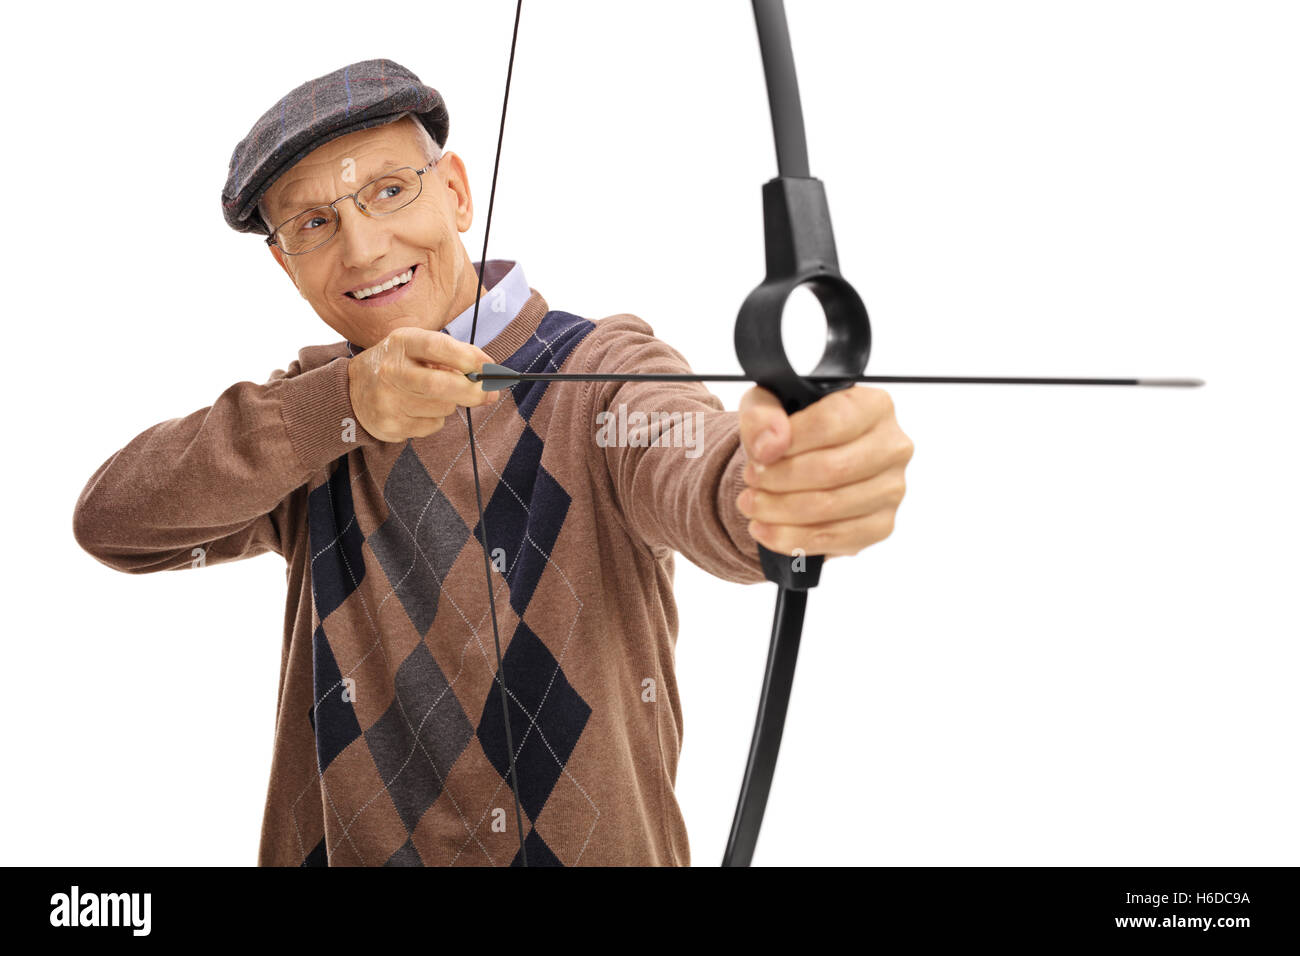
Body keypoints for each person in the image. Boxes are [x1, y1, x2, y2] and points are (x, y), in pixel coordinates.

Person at [72, 59, 914, 866]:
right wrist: (343, 408)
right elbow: (113, 522)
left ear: (457, 192)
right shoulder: (310, 423)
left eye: (390, 190)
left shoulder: (599, 374)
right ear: (284, 262)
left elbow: (686, 462)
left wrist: (776, 485)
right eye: (314, 224)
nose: (363, 249)